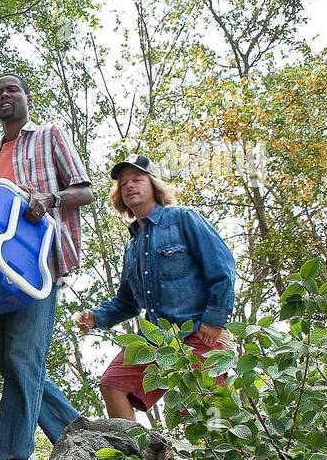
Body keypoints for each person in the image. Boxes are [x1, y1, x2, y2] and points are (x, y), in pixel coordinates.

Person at [0, 74, 91, 460]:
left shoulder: (50, 136)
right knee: (12, 363)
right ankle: (82, 438)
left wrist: (50, 198)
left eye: (12, 89)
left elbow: (84, 190)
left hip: (39, 265)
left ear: (27, 98)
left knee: (24, 358)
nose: (4, 95)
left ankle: (10, 458)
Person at [76, 154, 236, 419]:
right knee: (113, 385)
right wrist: (96, 317)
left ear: (154, 186)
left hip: (199, 331)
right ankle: (133, 458)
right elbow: (128, 302)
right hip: (156, 339)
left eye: (137, 179)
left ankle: (216, 459)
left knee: (202, 414)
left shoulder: (183, 219)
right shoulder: (133, 246)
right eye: (123, 183)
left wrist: (215, 319)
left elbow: (222, 268)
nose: (129, 186)